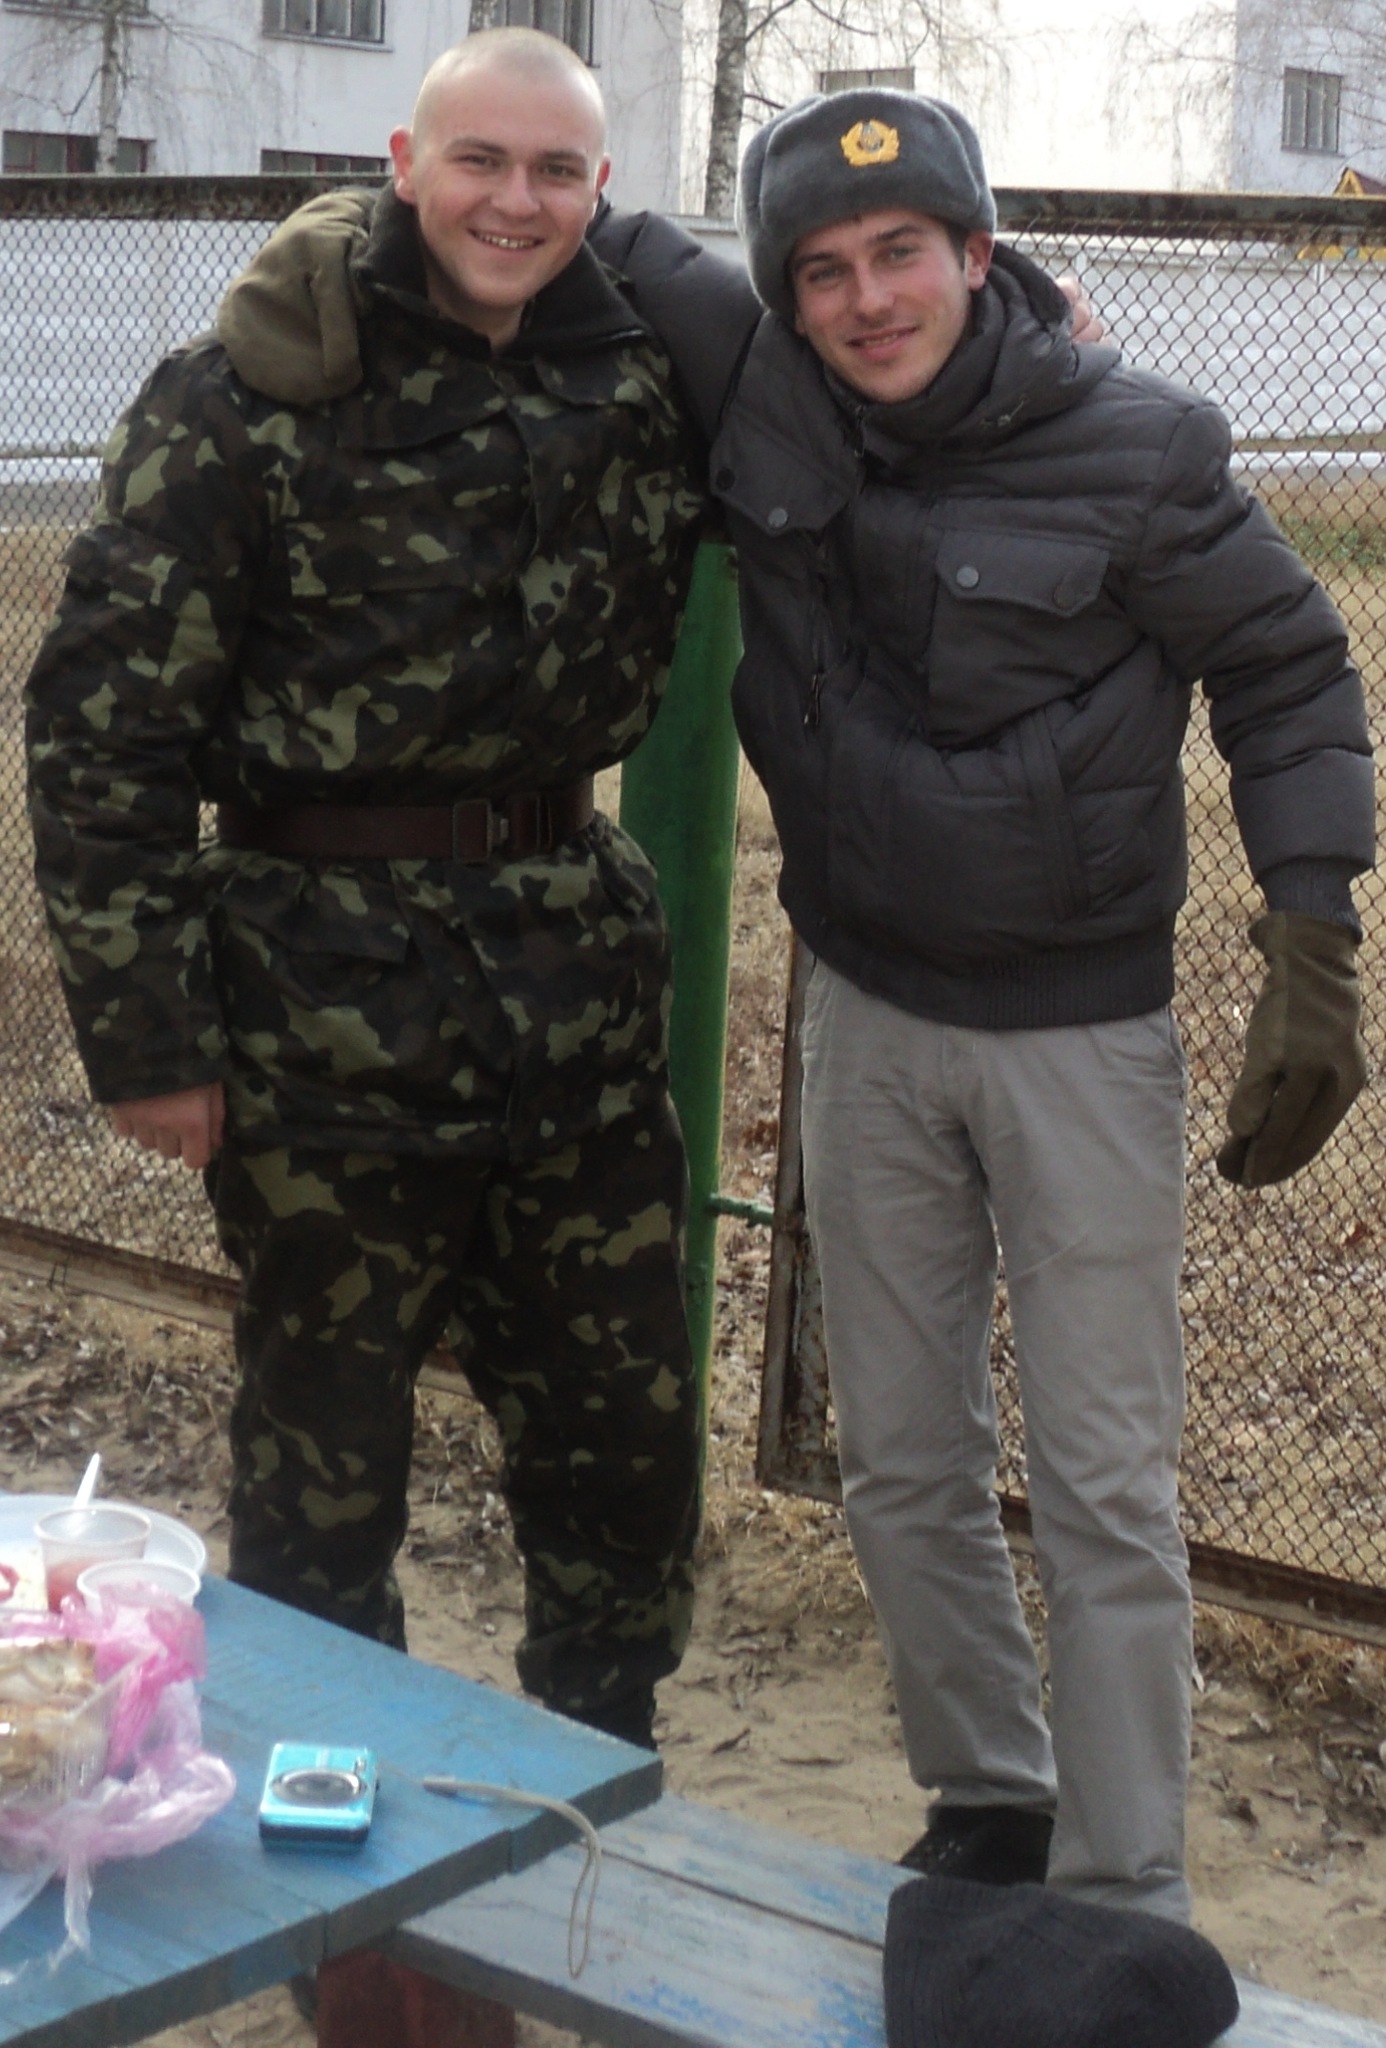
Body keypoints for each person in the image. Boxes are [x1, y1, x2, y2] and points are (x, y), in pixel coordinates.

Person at [211, 85, 1371, 1919]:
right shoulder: (763, 393)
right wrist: (322, 242)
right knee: (898, 1463)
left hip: (1076, 1037)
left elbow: (1291, 668)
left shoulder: (1135, 447)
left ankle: (1119, 1890)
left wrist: (1311, 932)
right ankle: (987, 1799)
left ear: (977, 254)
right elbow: (548, 207)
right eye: (820, 269)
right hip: (864, 1016)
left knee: (1099, 1484)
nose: (864, 298)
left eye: (901, 252)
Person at [24, 27, 711, 1752]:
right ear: (403, 166)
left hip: (573, 994)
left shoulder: (635, 385)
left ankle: (602, 1771)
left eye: (554, 170)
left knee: (622, 1444)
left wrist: (1038, 320)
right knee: (323, 1468)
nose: (513, 201)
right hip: (321, 1008)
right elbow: (104, 732)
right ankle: (339, 1822)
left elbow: (874, 395)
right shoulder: (248, 391)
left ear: (600, 192)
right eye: (478, 160)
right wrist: (150, 1038)